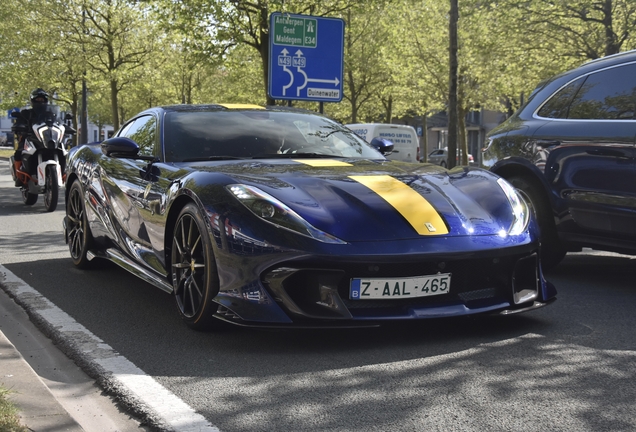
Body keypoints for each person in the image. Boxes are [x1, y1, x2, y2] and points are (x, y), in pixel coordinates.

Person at [11, 88, 50, 185]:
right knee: (19, 152)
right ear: (33, 101)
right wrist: (19, 127)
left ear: (45, 101)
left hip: (46, 138)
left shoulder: (50, 114)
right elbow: (19, 122)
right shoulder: (26, 113)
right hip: (29, 137)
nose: (40, 102)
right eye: (38, 99)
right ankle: (19, 176)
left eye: (42, 100)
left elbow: (57, 123)